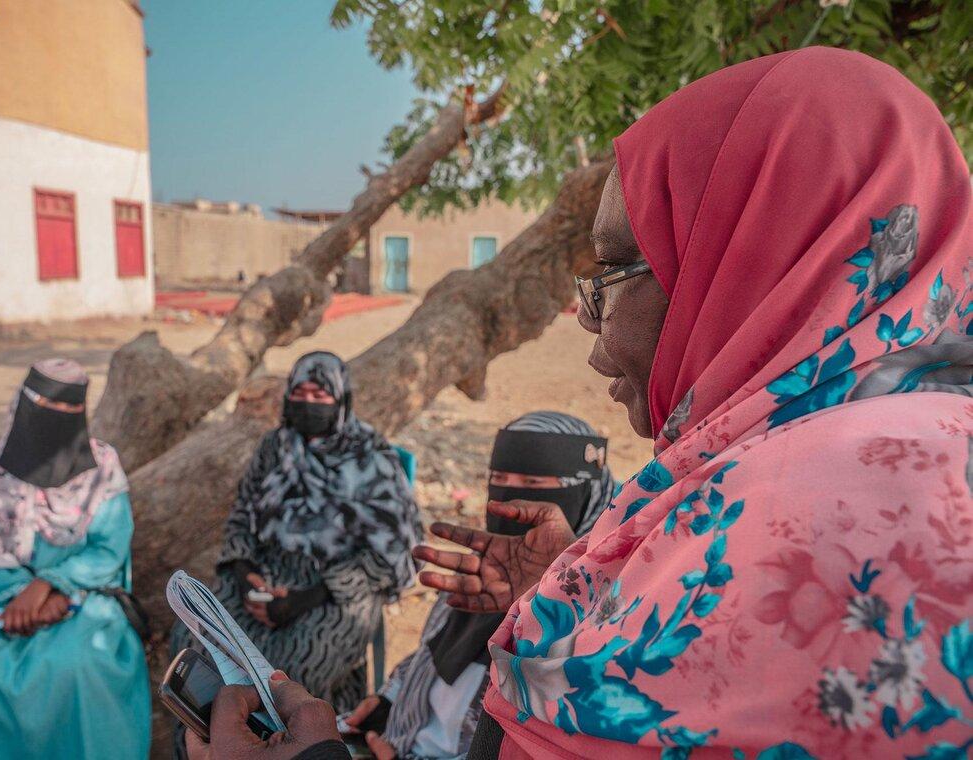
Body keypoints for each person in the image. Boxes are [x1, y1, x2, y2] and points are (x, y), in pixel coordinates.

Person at [197, 47, 972, 760]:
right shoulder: (903, 446)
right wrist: (573, 603)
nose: (589, 326)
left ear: (752, 260)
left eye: (610, 274)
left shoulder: (807, 506)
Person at [340, 412, 616, 760]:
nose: (509, 498)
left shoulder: (605, 610)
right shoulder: (480, 577)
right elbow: (431, 650)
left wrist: (559, 598)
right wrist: (390, 699)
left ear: (587, 494)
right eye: (498, 478)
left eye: (533, 484)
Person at [176, 351, 422, 729]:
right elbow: (243, 514)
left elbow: (395, 552)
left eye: (320, 395)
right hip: (266, 571)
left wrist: (307, 597)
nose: (308, 403)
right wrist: (245, 576)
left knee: (288, 674)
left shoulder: (372, 459)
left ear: (342, 401)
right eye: (300, 392)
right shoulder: (275, 447)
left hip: (335, 588)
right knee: (198, 643)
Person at [0, 360, 150, 759]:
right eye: (46, 406)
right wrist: (20, 595)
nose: (57, 419)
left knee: (76, 667)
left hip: (83, 594)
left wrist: (48, 588)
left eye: (69, 410)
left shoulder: (101, 470)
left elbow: (108, 549)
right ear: (23, 405)